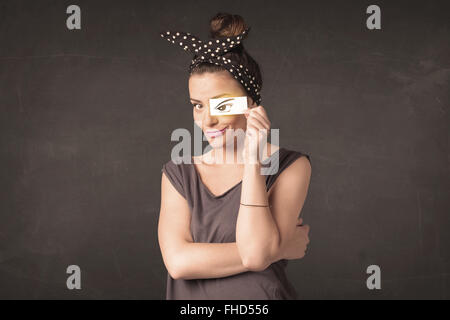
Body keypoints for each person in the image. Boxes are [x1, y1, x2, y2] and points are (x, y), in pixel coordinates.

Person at [158, 12, 312, 300]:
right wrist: (277, 248)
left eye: (223, 104)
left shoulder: (291, 166)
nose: (208, 120)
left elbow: (256, 257)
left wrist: (253, 163)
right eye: (198, 105)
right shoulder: (178, 173)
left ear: (251, 102)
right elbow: (178, 263)